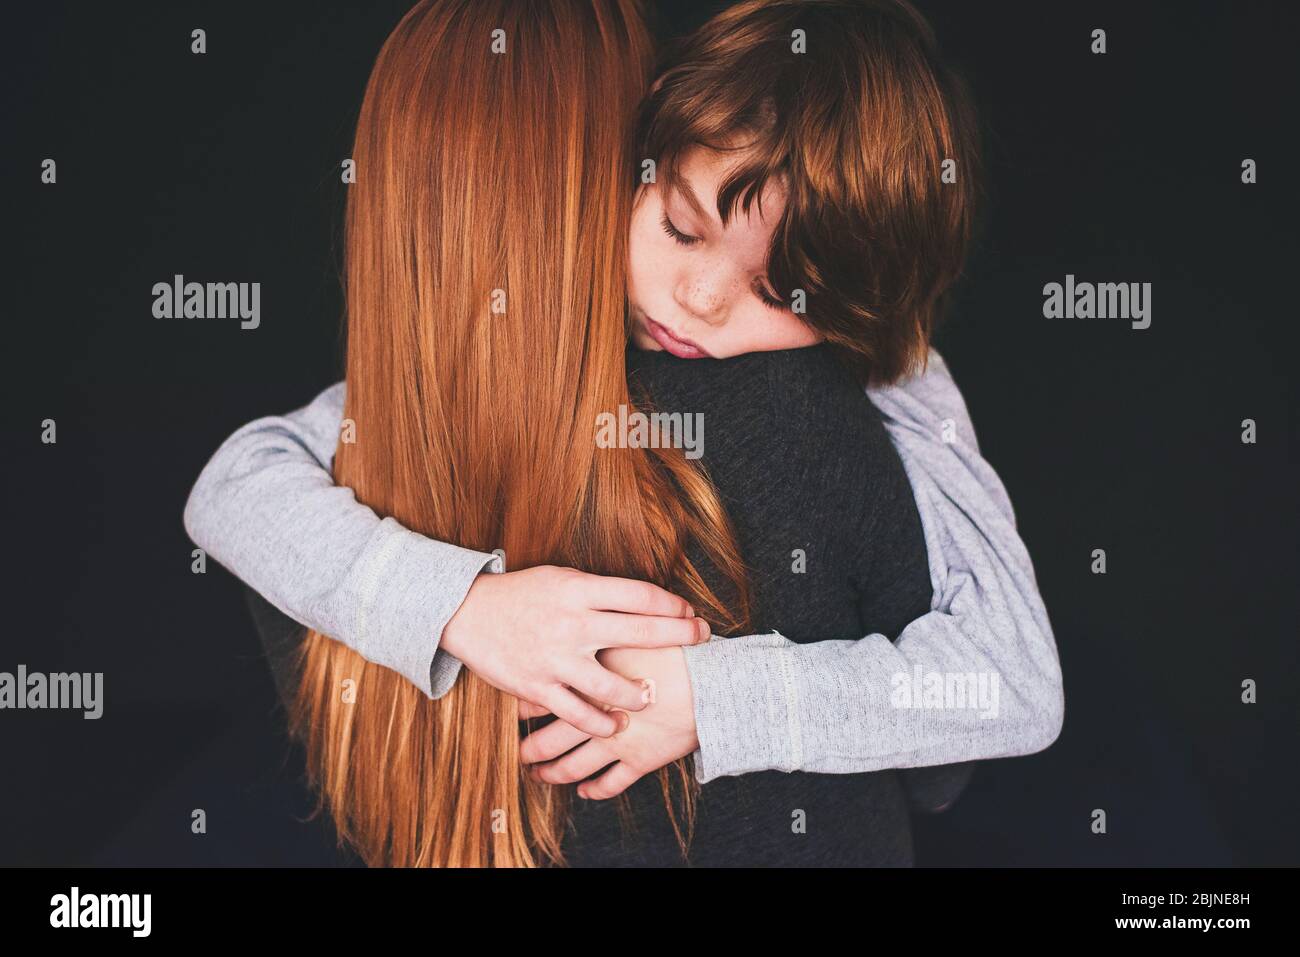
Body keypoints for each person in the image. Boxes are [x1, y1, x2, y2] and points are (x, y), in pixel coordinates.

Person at [185, 0, 1063, 866]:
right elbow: (229, 485)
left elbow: (1014, 681)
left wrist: (716, 696)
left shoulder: (889, 377)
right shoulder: (490, 376)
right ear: (639, 161)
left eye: (780, 293)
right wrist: (464, 607)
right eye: (681, 228)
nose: (702, 299)